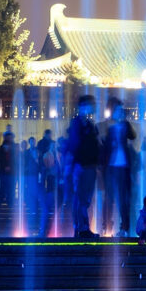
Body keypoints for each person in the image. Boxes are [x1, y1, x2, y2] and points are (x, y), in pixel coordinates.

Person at [61, 99, 102, 237]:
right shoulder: (77, 123)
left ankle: (82, 228)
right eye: (88, 105)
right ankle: (81, 228)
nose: (91, 107)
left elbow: (95, 145)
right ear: (82, 107)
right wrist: (69, 167)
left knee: (86, 199)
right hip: (80, 166)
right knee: (81, 198)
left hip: (90, 166)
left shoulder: (90, 125)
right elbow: (73, 145)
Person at [102, 103, 139, 237]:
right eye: (117, 111)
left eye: (121, 111)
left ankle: (124, 227)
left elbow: (133, 136)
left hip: (124, 167)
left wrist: (126, 123)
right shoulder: (110, 129)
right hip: (111, 168)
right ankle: (106, 226)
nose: (120, 113)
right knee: (109, 198)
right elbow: (105, 148)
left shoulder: (125, 126)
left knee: (123, 199)